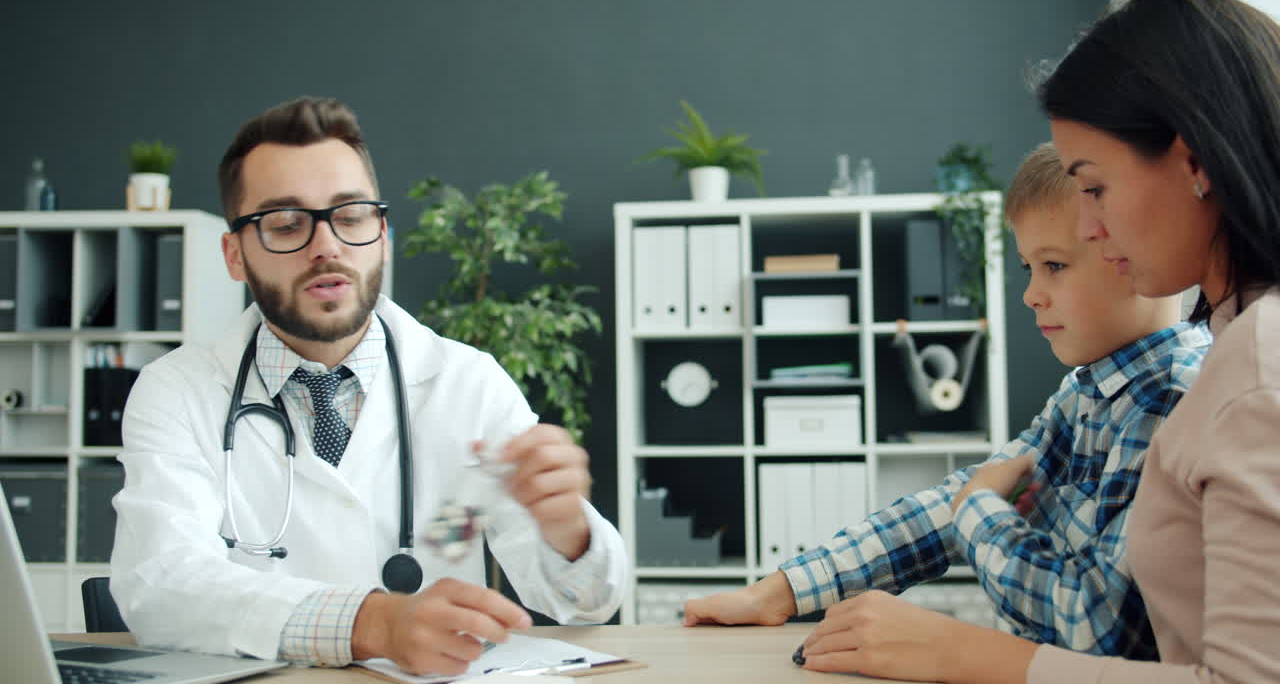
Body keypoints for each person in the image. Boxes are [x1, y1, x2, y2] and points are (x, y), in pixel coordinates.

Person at [794, 0, 1280, 684]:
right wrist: (789, 588)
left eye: (1095, 186)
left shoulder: (1255, 365)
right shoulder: (1229, 352)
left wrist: (956, 650)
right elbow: (969, 489)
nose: (1086, 225)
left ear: (1193, 160)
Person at [109, 97, 627, 676]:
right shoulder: (176, 392)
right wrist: (369, 624)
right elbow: (159, 584)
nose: (326, 245)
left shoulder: (468, 384)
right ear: (235, 255)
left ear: (381, 234)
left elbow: (587, 603)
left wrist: (567, 532)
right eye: (285, 224)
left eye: (350, 215)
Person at [684, 141, 1211, 660]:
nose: (1030, 294)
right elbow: (949, 507)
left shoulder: (1171, 400)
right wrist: (778, 593)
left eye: (1053, 265)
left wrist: (981, 512)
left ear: (1136, 246)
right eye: (1029, 268)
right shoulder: (1087, 392)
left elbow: (1096, 626)